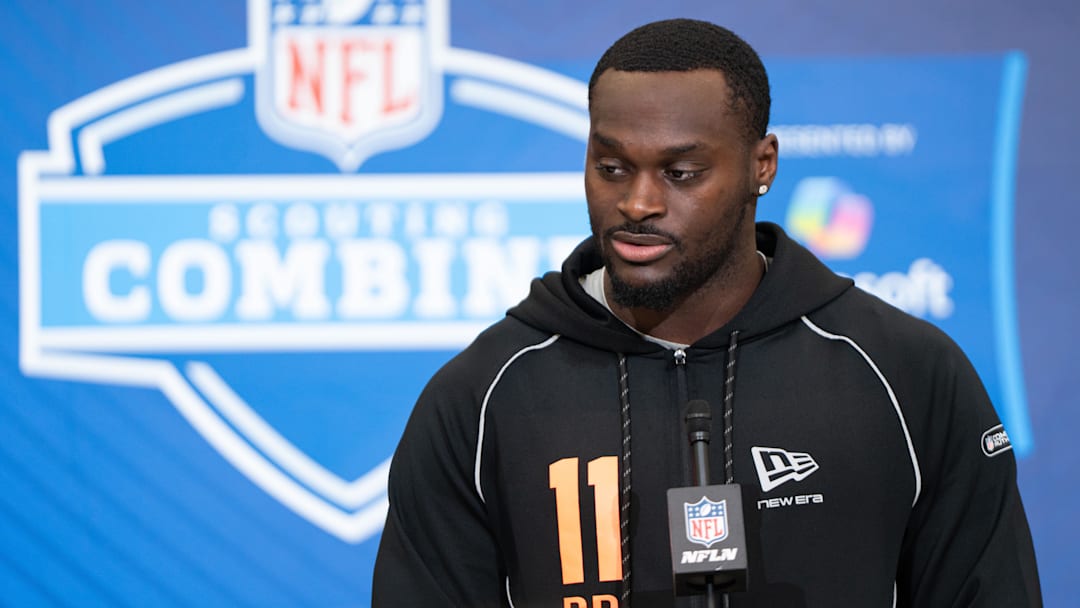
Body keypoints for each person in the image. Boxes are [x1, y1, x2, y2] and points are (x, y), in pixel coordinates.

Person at [372, 18, 1042, 607]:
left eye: (681, 172)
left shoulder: (905, 372)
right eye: (611, 166)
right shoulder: (481, 396)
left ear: (762, 165)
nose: (638, 203)